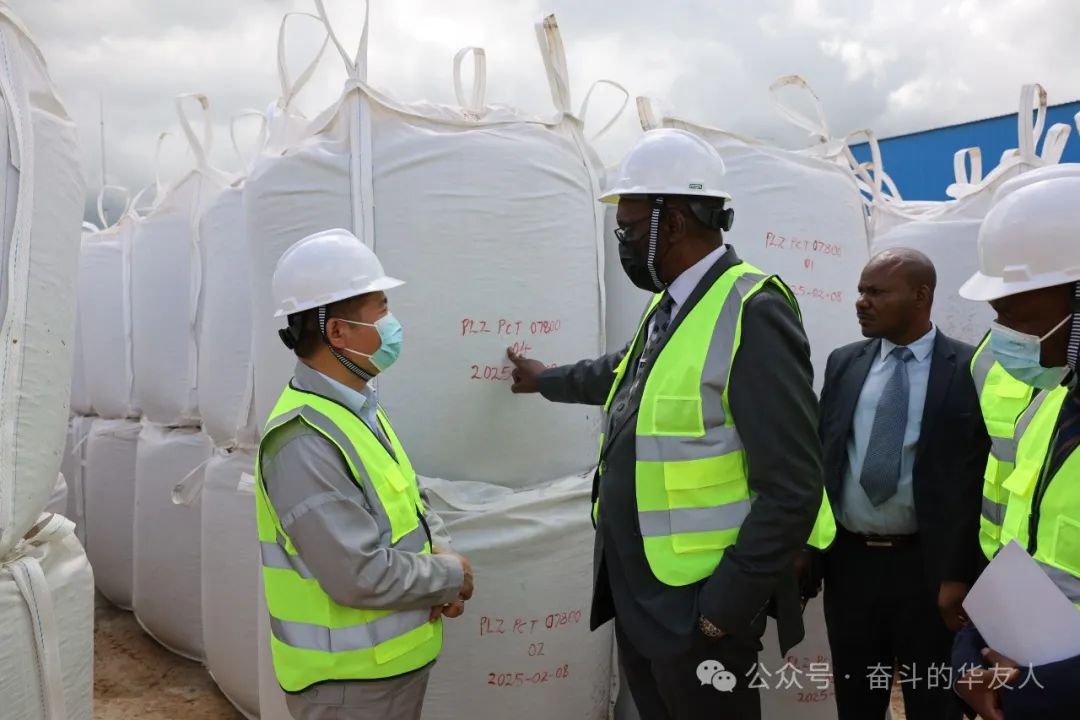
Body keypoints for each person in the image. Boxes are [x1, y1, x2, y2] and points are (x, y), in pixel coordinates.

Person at [506, 128, 833, 720]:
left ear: (674, 223)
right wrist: (545, 378)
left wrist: (722, 611)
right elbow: (623, 375)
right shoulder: (673, 304)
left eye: (629, 229)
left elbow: (794, 487)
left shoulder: (753, 310)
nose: (625, 243)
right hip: (643, 594)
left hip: (698, 608)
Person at [254, 229, 473, 720]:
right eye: (381, 309)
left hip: (388, 670)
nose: (392, 324)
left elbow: (410, 502)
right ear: (337, 332)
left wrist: (440, 557)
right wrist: (450, 576)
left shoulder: (356, 409)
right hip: (349, 688)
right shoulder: (303, 441)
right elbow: (356, 573)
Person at [816, 248, 988, 720]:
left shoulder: (969, 369)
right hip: (850, 566)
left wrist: (957, 574)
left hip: (927, 571)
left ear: (920, 295)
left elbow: (972, 480)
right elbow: (824, 457)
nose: (861, 302)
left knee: (933, 701)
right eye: (860, 291)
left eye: (876, 292)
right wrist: (810, 549)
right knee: (857, 700)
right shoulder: (844, 364)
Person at [952, 175, 1080, 720]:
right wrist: (970, 654)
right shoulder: (1050, 407)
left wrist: (1047, 686)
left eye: (1019, 316)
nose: (1005, 335)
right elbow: (1020, 551)